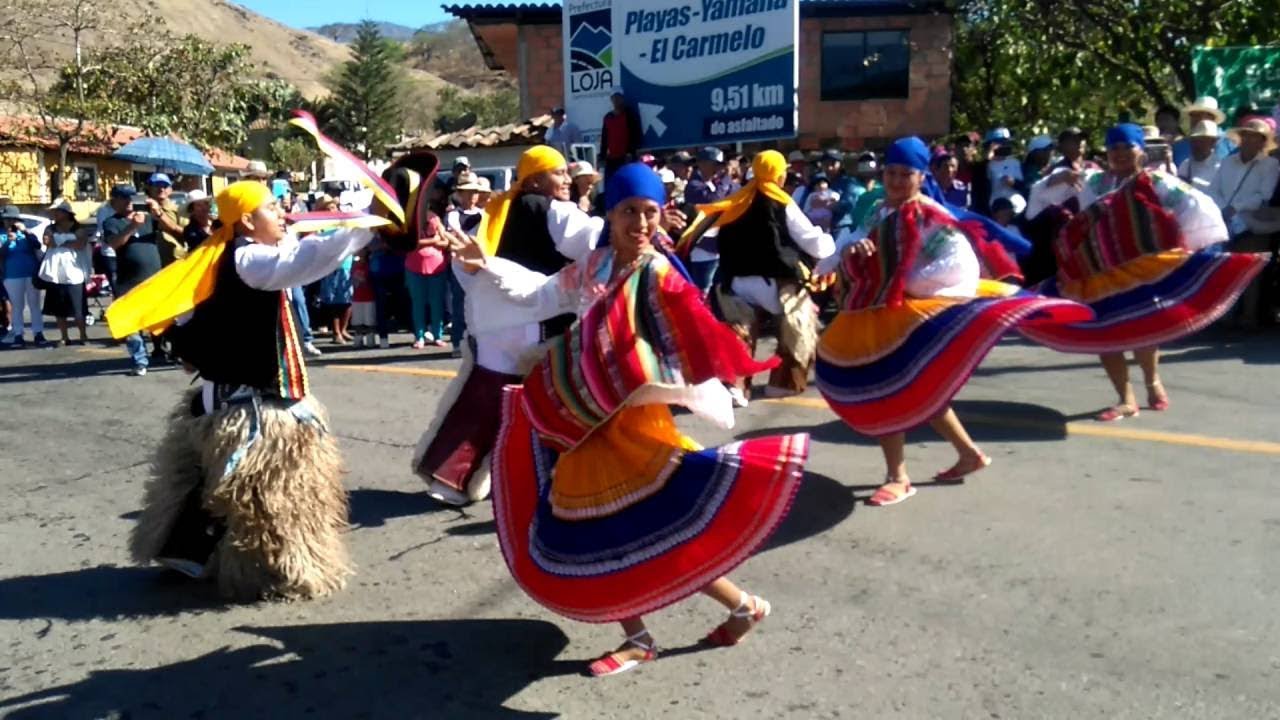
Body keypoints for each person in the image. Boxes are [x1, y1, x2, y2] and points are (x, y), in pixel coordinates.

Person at [446, 162, 809, 677]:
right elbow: (539, 296)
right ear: (609, 215)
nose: (640, 224)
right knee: (614, 533)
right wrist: (486, 265)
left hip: (631, 422)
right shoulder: (591, 268)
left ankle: (714, 613)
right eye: (629, 213)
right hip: (583, 419)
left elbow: (690, 336)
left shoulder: (659, 274)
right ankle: (672, 627)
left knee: (649, 528)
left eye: (650, 213)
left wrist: (736, 361)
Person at [107, 180, 381, 600]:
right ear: (248, 221)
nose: (284, 214)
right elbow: (307, 259)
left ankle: (186, 552)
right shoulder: (248, 258)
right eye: (274, 208)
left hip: (232, 399)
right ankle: (270, 571)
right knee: (266, 497)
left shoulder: (223, 258)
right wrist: (367, 226)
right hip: (253, 407)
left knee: (212, 482)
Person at [814, 137, 1092, 507]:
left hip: (910, 314)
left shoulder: (930, 216)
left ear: (920, 175)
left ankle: (898, 477)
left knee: (890, 387)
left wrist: (903, 284)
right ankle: (968, 454)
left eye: (906, 174)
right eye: (891, 173)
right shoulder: (880, 210)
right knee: (921, 390)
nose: (897, 181)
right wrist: (852, 254)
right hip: (883, 312)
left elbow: (960, 266)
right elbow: (858, 243)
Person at [1019, 124, 1267, 420]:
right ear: (1107, 153)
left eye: (1128, 147)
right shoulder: (1093, 181)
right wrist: (1057, 178)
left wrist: (1183, 250)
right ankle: (1125, 398)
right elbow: (1037, 202)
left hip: (1142, 268)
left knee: (1144, 330)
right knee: (1104, 333)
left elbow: (1199, 207)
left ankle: (1153, 383)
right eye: (1114, 148)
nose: (1121, 153)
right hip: (1098, 271)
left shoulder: (1157, 181)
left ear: (1141, 150)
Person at [411, 146, 602, 507]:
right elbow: (592, 241)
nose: (566, 180)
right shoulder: (553, 210)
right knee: (560, 404)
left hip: (495, 330)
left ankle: (450, 483)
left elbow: (468, 269)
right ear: (535, 179)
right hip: (540, 326)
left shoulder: (491, 213)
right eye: (559, 173)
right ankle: (558, 479)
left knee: (480, 406)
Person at [696, 150, 835, 400]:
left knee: (738, 333)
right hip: (776, 283)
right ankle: (783, 384)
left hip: (735, 282)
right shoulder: (781, 201)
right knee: (799, 327)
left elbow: (710, 237)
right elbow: (814, 244)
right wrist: (830, 244)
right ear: (779, 175)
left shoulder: (736, 200)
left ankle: (735, 386)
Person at [102, 184, 162, 375]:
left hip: (154, 277)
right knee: (131, 322)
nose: (128, 202)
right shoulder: (112, 222)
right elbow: (114, 243)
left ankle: (162, 351)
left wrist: (158, 212)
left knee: (160, 318)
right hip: (129, 280)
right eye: (123, 198)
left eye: (131, 198)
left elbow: (172, 228)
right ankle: (140, 361)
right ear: (114, 202)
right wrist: (133, 226)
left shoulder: (148, 217)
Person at [1209, 117, 1280, 238]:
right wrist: (1222, 209)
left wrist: (1235, 208)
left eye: (1254, 137)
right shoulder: (1227, 161)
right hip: (1219, 217)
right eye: (1245, 135)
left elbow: (1264, 196)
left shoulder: (1270, 165)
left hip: (1248, 222)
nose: (1248, 140)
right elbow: (1214, 190)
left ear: (1262, 142)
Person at [444, 173, 486, 356]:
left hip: (479, 265)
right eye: (467, 192)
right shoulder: (453, 215)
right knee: (460, 303)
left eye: (474, 192)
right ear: (459, 194)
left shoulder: (485, 215)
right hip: (459, 265)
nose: (472, 196)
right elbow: (455, 234)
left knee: (479, 304)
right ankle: (458, 342)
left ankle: (478, 341)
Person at [38, 200, 90, 346]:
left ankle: (83, 335)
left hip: (74, 272)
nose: (55, 214)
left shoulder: (78, 228)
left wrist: (61, 242)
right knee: (58, 308)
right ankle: (64, 336)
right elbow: (47, 241)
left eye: (58, 212)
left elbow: (80, 244)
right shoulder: (50, 228)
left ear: (66, 214)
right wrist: (67, 242)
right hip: (56, 273)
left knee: (78, 307)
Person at [0, 206, 46, 347]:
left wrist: (25, 231)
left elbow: (37, 245)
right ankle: (18, 334)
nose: (9, 222)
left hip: (31, 272)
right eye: (6, 220)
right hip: (12, 274)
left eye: (12, 219)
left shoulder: (26, 233)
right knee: (17, 306)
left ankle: (38, 333)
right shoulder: (1, 234)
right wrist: (8, 242)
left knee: (35, 305)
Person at [404, 209, 450, 349]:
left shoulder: (435, 218)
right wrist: (433, 240)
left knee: (436, 303)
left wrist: (425, 242)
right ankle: (419, 337)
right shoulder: (409, 219)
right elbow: (409, 243)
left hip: (436, 266)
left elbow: (445, 242)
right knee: (418, 304)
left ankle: (438, 335)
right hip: (414, 267)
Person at [1172, 96, 1236, 166]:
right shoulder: (1179, 147)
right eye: (1192, 115)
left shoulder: (1230, 143)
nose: (1194, 119)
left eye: (1199, 115)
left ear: (1212, 117)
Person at [143, 173, 186, 267]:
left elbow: (186, 233)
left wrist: (160, 214)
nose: (161, 189)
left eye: (165, 186)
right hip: (148, 264)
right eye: (157, 185)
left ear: (170, 190)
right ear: (149, 188)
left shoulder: (179, 210)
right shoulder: (141, 209)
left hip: (173, 261)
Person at [598, 91, 642, 178]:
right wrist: (602, 155)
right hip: (612, 159)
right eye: (614, 98)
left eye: (618, 97)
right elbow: (604, 138)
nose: (616, 100)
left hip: (627, 157)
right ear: (611, 100)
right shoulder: (608, 117)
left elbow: (636, 134)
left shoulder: (630, 114)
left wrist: (631, 152)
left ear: (623, 99)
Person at [1178, 120, 1225, 190]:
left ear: (1213, 142)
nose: (1197, 145)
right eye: (1195, 141)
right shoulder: (1186, 164)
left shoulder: (1220, 168)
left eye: (1202, 141)